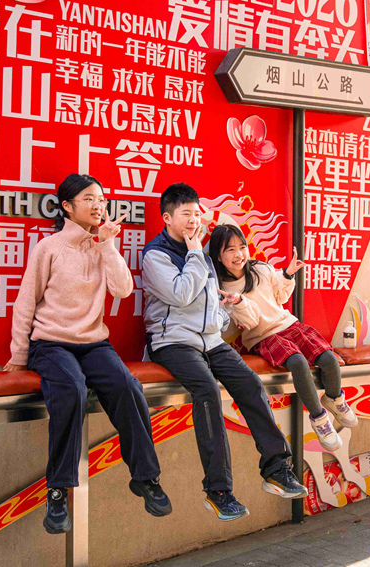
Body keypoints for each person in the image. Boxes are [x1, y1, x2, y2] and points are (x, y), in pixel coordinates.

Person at [4, 174, 171, 535]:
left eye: (101, 199)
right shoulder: (48, 248)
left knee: (128, 387)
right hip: (51, 344)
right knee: (72, 390)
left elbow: (124, 290)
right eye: (89, 199)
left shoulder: (103, 246)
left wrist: (107, 246)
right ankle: (58, 488)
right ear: (67, 206)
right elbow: (25, 302)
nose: (99, 206)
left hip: (94, 343)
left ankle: (146, 477)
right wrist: (19, 355)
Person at [141, 183, 307, 523]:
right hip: (172, 342)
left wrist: (217, 315)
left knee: (249, 384)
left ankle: (277, 468)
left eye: (196, 213)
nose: (193, 220)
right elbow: (182, 295)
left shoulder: (198, 253)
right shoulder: (156, 254)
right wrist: (192, 252)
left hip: (210, 341)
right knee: (207, 391)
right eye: (186, 214)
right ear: (167, 217)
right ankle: (219, 491)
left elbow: (209, 298)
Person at [208, 224, 357, 452]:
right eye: (230, 249)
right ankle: (319, 419)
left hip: (289, 324)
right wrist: (238, 301)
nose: (238, 254)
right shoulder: (223, 289)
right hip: (263, 337)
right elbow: (250, 322)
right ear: (218, 256)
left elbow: (279, 295)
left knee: (328, 358)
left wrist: (288, 274)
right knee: (297, 362)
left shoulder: (260, 269)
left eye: (242, 246)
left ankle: (335, 399)